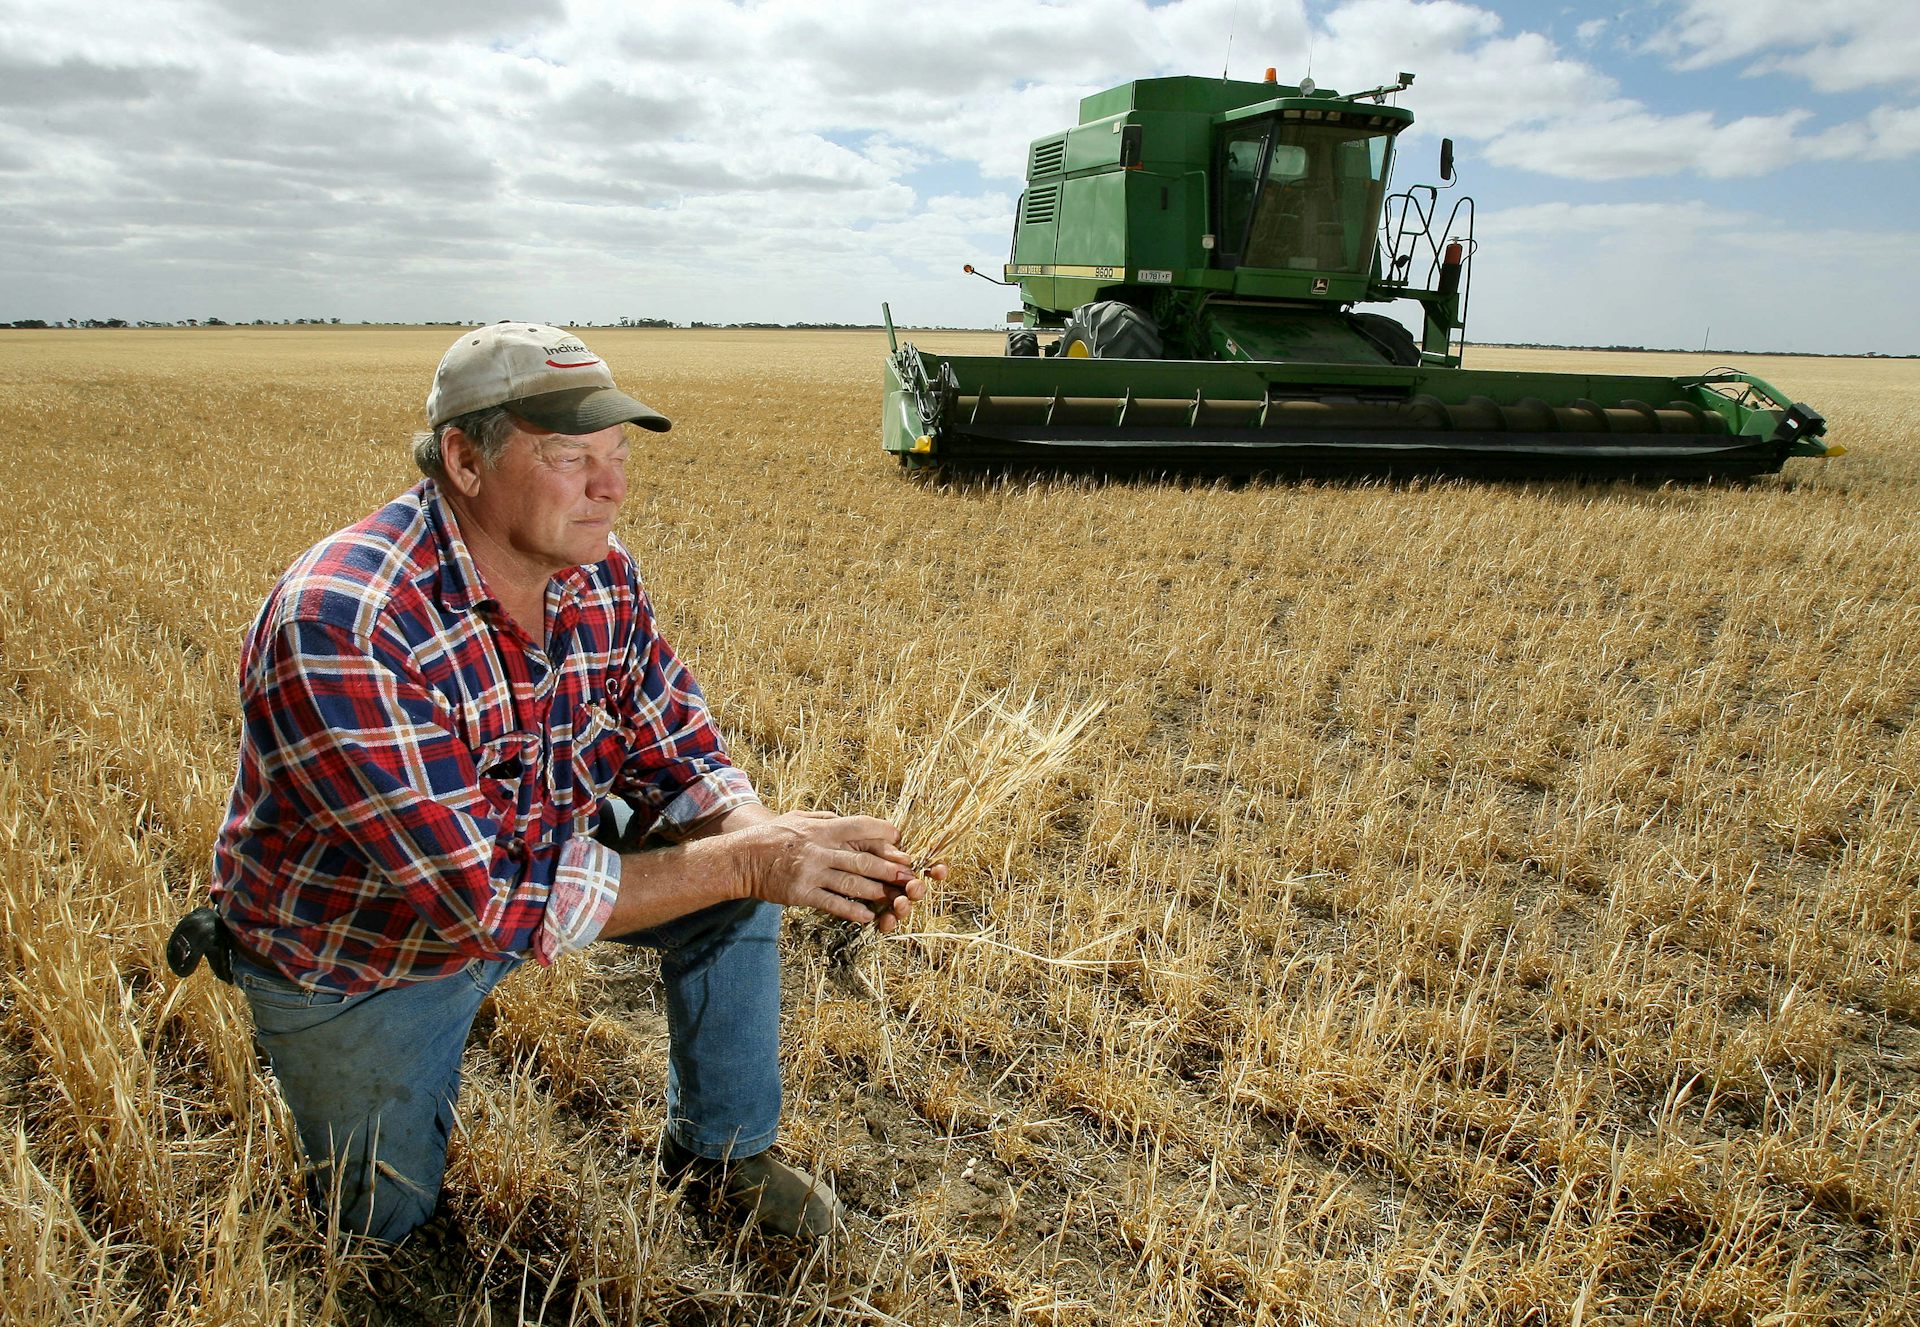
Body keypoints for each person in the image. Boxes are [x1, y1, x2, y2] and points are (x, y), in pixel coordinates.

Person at [202, 322, 931, 1246]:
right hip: (364, 949)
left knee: (734, 862)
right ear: (464, 460)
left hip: (531, 855)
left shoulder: (599, 572)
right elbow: (487, 901)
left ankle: (721, 1151)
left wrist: (770, 839)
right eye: (571, 456)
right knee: (380, 1224)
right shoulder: (346, 621)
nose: (612, 485)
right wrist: (754, 859)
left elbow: (676, 744)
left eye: (618, 453)